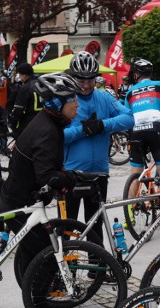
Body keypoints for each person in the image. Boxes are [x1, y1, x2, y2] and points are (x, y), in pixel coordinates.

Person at [0, 72, 82, 308]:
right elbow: (46, 175)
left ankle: (35, 304)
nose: (77, 105)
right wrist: (70, 177)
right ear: (59, 104)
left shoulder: (48, 122)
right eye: (73, 100)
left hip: (18, 198)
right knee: (45, 256)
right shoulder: (47, 130)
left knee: (31, 253)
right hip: (20, 203)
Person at [63, 52, 133, 243]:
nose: (86, 85)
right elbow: (57, 136)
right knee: (68, 226)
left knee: (95, 224)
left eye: (90, 79)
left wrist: (102, 125)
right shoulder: (66, 100)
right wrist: (82, 130)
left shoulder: (104, 98)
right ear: (72, 77)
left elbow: (129, 118)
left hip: (99, 174)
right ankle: (67, 268)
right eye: (80, 80)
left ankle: (97, 270)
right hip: (70, 174)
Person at [124, 57, 160, 195]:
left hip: (135, 131)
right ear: (150, 74)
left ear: (136, 74)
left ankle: (130, 209)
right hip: (154, 129)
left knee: (135, 174)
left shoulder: (130, 91)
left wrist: (130, 138)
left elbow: (127, 117)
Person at [8, 62, 41, 138]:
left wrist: (12, 122)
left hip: (28, 124)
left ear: (24, 75)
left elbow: (18, 109)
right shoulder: (40, 83)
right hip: (42, 121)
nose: (19, 76)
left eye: (19, 74)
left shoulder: (25, 88)